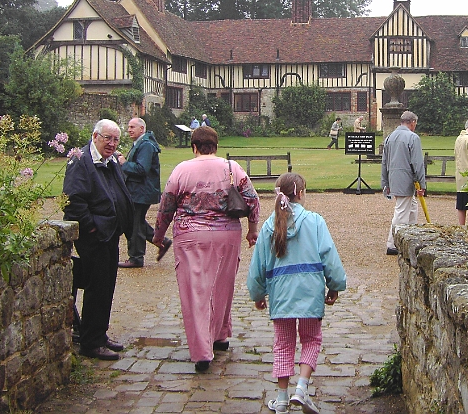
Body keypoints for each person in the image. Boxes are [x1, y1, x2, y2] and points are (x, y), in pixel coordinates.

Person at [153, 126, 260, 372]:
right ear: (216, 145)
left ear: (194, 146)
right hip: (227, 235)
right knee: (223, 286)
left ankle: (202, 352)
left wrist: (159, 235)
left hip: (191, 236)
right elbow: (252, 200)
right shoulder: (232, 168)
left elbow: (166, 206)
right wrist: (252, 230)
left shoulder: (181, 169)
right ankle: (220, 336)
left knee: (196, 291)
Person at [247, 173, 347, 414]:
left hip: (280, 295)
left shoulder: (269, 226)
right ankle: (301, 387)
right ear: (300, 193)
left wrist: (258, 293)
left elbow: (258, 265)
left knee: (282, 344)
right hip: (310, 292)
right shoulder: (314, 222)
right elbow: (329, 256)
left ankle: (281, 398)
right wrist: (335, 285)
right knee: (311, 339)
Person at [63, 119, 133, 360]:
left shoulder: (109, 160)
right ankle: (90, 342)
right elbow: (73, 200)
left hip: (109, 233)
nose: (112, 144)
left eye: (116, 140)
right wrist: (92, 228)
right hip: (94, 237)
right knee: (96, 287)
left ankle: (99, 334)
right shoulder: (81, 160)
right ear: (95, 136)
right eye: (107, 138)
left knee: (106, 287)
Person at [116, 118, 171, 268]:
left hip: (142, 191)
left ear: (142, 129)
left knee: (134, 223)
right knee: (136, 222)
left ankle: (136, 257)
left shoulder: (145, 145)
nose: (129, 129)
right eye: (128, 127)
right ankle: (162, 241)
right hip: (139, 190)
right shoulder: (141, 143)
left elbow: (142, 169)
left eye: (133, 127)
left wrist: (124, 163)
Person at [380, 110, 426, 255]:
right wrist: (422, 185)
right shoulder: (413, 137)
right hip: (406, 179)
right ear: (412, 122)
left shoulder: (389, 137)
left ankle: (411, 238)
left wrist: (385, 182)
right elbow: (417, 163)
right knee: (401, 212)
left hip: (395, 178)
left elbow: (384, 163)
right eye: (415, 124)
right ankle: (392, 244)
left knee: (412, 208)